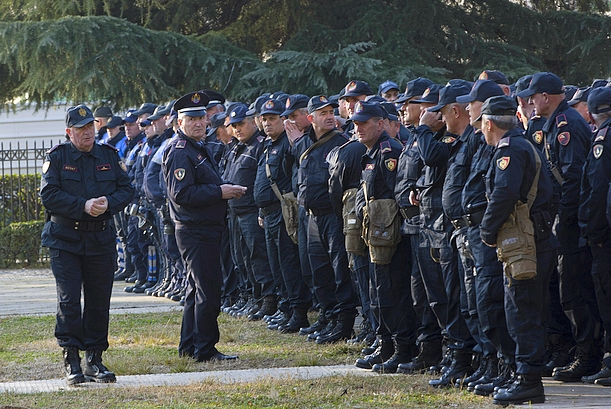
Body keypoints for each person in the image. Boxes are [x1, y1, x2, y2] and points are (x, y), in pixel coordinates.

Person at [40, 104, 134, 385]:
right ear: (69, 132)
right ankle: (72, 360)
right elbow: (49, 195)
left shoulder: (108, 155)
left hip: (100, 239)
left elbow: (126, 189)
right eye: (80, 129)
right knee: (69, 301)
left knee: (98, 302)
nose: (86, 134)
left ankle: (95, 359)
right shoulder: (57, 158)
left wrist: (107, 204)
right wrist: (83, 205)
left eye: (90, 128)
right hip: (65, 240)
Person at [518, 72, 601, 383]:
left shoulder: (566, 124)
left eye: (533, 96)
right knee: (562, 289)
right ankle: (571, 349)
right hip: (561, 220)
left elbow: (573, 179)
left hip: (570, 222)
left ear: (547, 96)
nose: (528, 101)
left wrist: (563, 221)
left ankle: (587, 354)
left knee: (575, 290)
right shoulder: (553, 123)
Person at [478, 95, 558, 405]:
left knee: (521, 311)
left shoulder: (511, 149)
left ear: (489, 123)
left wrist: (486, 230)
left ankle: (528, 380)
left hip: (525, 244)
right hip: (531, 240)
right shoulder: (522, 145)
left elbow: (504, 193)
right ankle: (524, 375)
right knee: (522, 309)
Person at [162, 90, 246, 362]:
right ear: (178, 123)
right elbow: (182, 194)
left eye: (202, 117)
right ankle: (205, 349)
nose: (199, 123)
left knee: (196, 291)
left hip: (204, 228)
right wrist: (220, 192)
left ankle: (190, 347)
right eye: (191, 119)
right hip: (195, 230)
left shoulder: (198, 148)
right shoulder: (180, 152)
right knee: (208, 291)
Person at [579, 87, 611, 386]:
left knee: (605, 293)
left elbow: (598, 186)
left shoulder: (603, 137)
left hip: (606, 235)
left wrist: (596, 230)